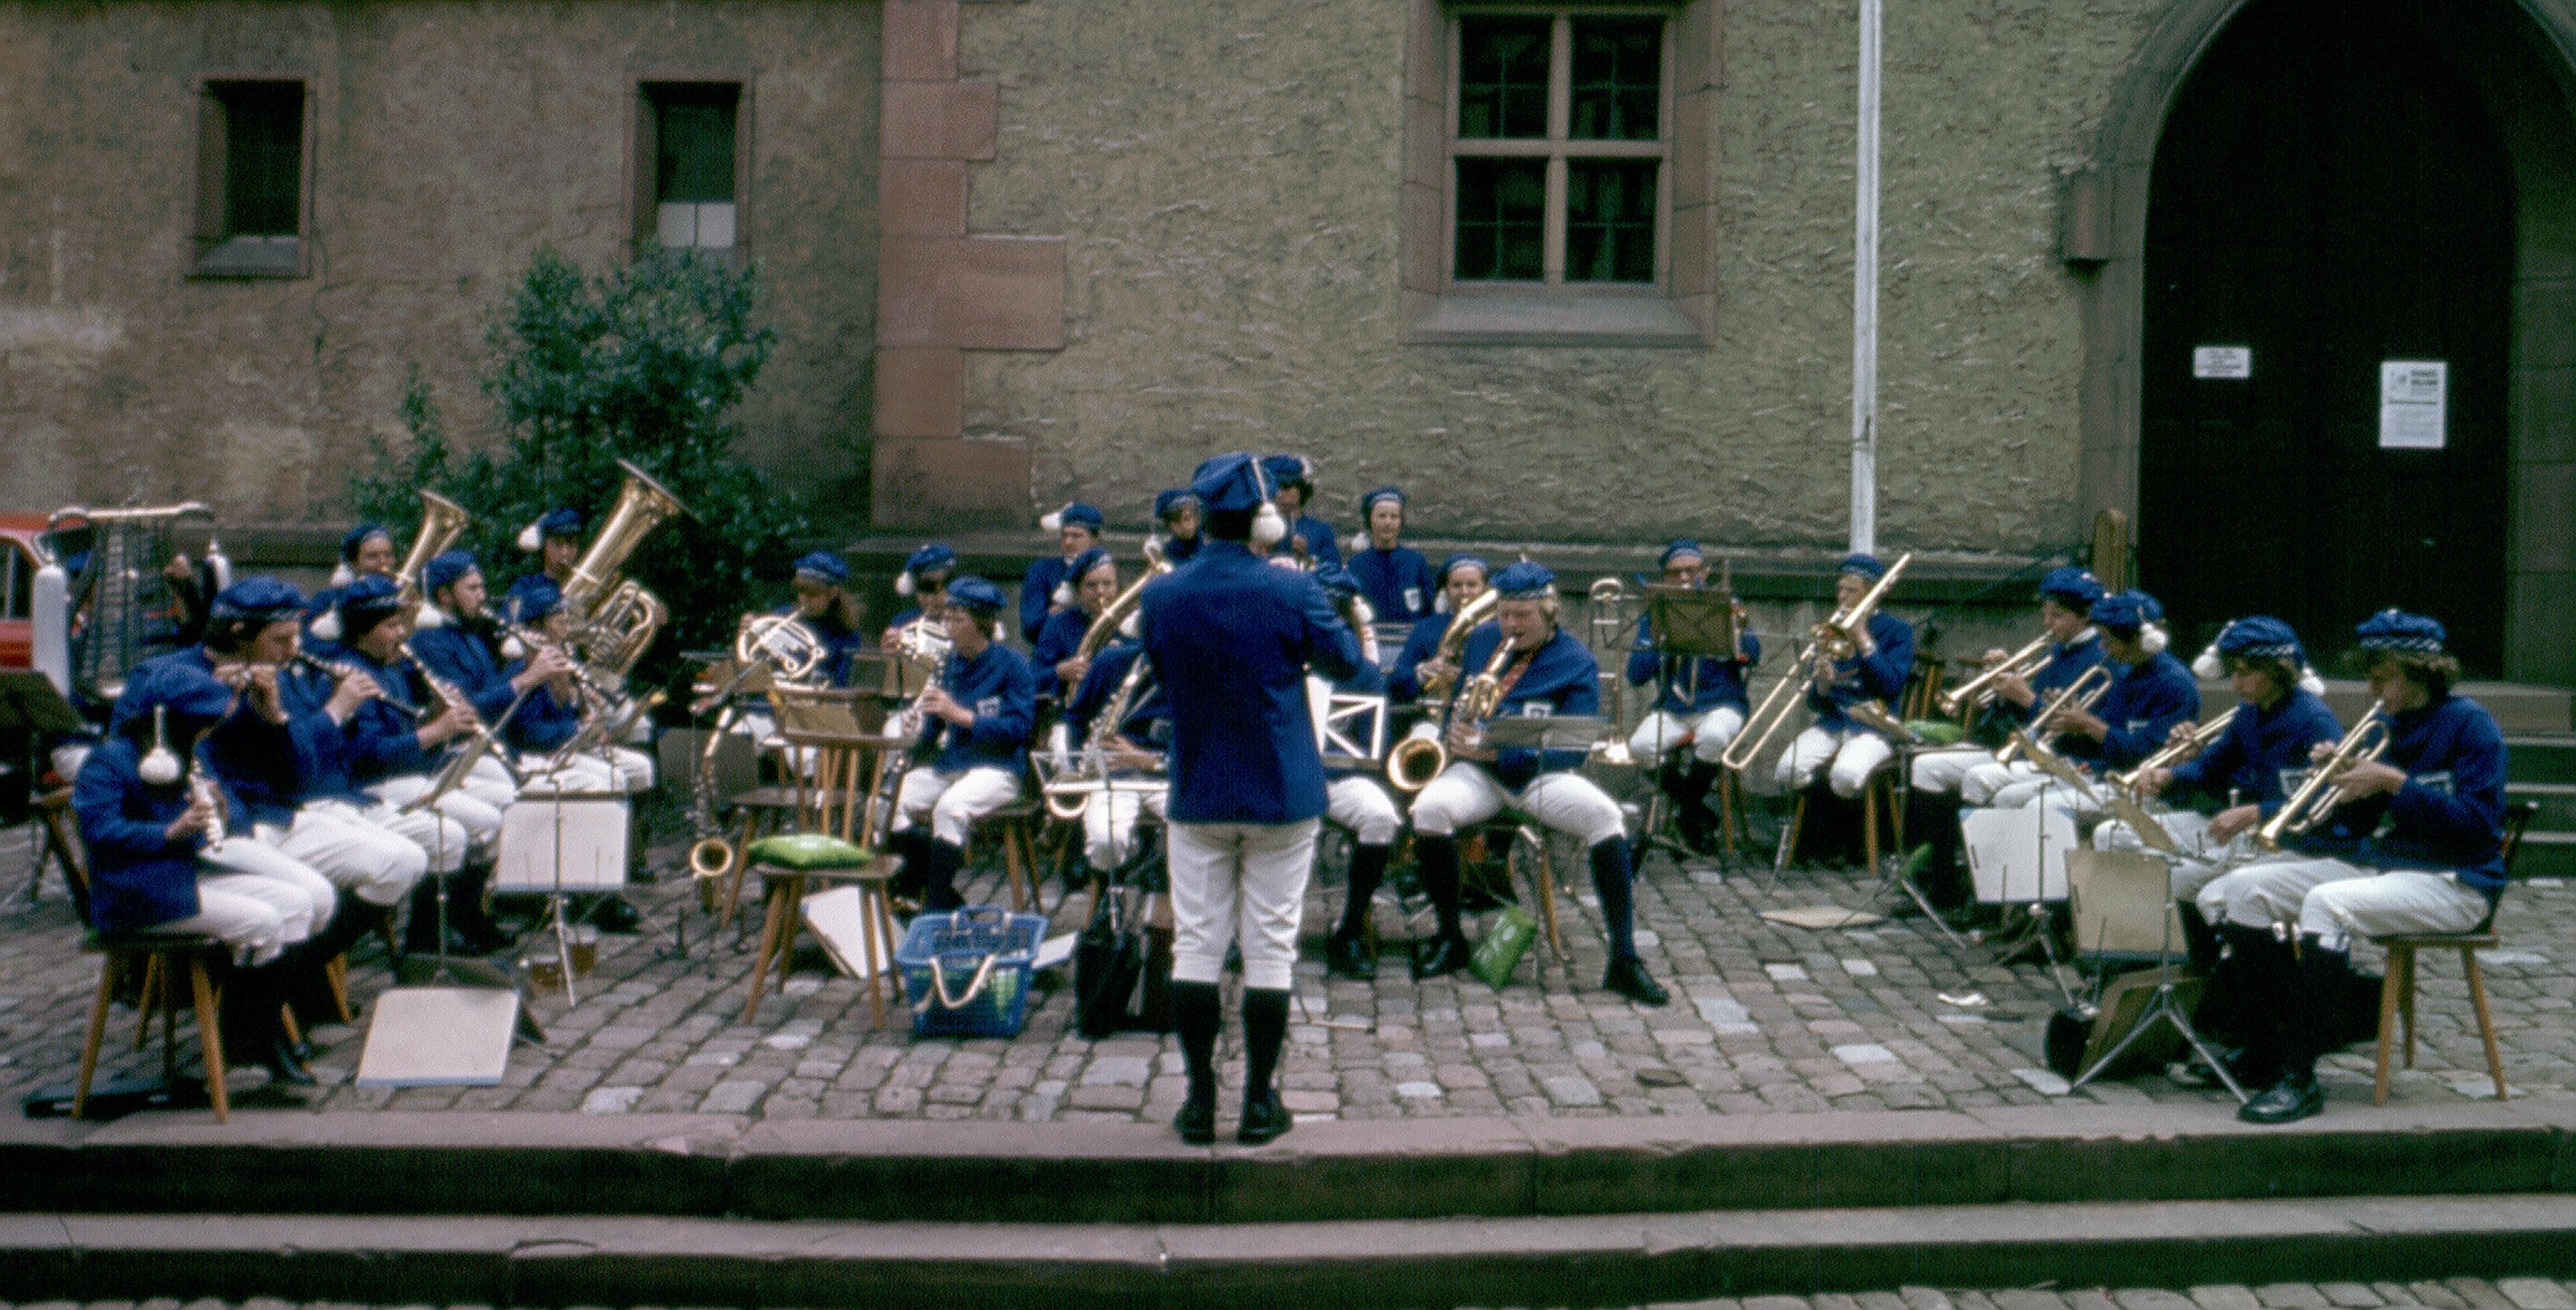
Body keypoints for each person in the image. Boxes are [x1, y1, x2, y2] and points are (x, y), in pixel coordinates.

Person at [2198, 610, 2507, 1125]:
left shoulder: (2471, 726)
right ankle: (2267, 1047)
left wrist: (2394, 783)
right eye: (2370, 676)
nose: (2373, 689)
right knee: (2242, 891)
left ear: (2421, 672)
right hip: (2388, 865)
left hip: (2457, 881)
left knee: (2326, 904)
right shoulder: (2386, 726)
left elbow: (2478, 826)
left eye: (2382, 676)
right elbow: (2355, 826)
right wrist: (2336, 780)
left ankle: (2300, 1078)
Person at [1140, 452, 1363, 1145]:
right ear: (1263, 517)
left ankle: (1200, 1101)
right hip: (1280, 790)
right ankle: (1260, 1101)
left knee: (1198, 948)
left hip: (1201, 785)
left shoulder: (1162, 593)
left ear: (1201, 518)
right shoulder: (1289, 590)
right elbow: (1348, 665)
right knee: (1271, 948)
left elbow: (1158, 668)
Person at [154, 578, 432, 1024]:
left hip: (278, 812)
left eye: (296, 637)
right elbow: (162, 760)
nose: (292, 649)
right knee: (317, 894)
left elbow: (299, 774)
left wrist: (274, 717)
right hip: (225, 827)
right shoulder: (169, 676)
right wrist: (335, 712)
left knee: (404, 862)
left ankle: (291, 981)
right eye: (281, 639)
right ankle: (263, 1010)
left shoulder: (279, 675)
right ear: (239, 633)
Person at [1405, 561, 1670, 1007]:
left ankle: (1624, 959)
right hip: (1480, 775)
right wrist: (1454, 730)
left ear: (1550, 613)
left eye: (1522, 616)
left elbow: (1574, 748)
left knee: (1607, 818)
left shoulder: (1576, 661)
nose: (1510, 625)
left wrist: (1500, 751)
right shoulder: (1483, 640)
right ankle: (1450, 937)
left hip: (1538, 776)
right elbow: (1459, 702)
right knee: (1428, 809)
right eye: (1505, 614)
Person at [74, 662, 336, 1084]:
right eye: (202, 724)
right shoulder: (109, 761)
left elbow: (203, 833)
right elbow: (98, 831)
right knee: (262, 920)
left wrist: (219, 810)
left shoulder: (184, 754)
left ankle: (256, 1033)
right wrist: (170, 831)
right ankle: (254, 1038)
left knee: (297, 903)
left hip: (178, 875)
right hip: (136, 894)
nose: (207, 733)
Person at [324, 574, 519, 953]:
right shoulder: (349, 674)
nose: (402, 634)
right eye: (392, 626)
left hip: (405, 774)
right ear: (363, 631)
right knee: (465, 827)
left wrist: (439, 718)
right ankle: (427, 940)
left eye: (402, 623)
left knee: (495, 809)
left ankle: (462, 920)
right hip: (369, 784)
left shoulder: (390, 666)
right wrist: (436, 731)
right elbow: (367, 756)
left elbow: (408, 732)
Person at [2105, 616, 2343, 916]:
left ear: (2277, 671)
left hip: (2288, 842)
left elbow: (2320, 801)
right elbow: (2211, 765)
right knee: (2115, 833)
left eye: (2246, 673)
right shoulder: (2250, 711)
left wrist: (2257, 812)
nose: (2236, 682)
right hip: (2238, 827)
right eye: (2233, 672)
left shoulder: (2313, 721)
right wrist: (2169, 773)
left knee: (2178, 881)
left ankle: (2197, 959)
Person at [1905, 566, 2107, 904]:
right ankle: (1940, 876)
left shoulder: (2100, 658)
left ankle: (1975, 885)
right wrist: (2001, 688)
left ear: (2084, 616)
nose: (2047, 623)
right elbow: (2018, 719)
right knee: (1925, 767)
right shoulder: (2057, 650)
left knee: (1978, 778)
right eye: (2045, 613)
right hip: (2022, 750)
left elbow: (2059, 726)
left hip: (2063, 759)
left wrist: (2024, 697)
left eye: (2056, 616)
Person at [886, 576, 1035, 912]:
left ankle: (934, 907)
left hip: (999, 768)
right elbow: (933, 729)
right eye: (947, 617)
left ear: (981, 623)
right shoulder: (948, 664)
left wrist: (963, 716)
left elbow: (1020, 728)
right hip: (954, 763)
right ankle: (938, 890)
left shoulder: (1014, 666)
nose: (948, 626)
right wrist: (916, 729)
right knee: (888, 801)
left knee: (949, 808)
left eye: (957, 619)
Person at [1975, 589, 2199, 813]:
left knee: (2037, 806)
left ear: (2136, 640)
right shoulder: (2126, 671)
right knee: (2007, 798)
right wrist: (2070, 714)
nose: (2102, 647)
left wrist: (2087, 724)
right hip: (2099, 771)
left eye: (2108, 640)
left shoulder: (2176, 684)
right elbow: (2108, 731)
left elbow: (2145, 753)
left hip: (2143, 788)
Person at [1623, 540, 1758, 853]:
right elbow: (1635, 674)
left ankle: (1687, 811)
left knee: (1712, 736)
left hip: (1722, 703)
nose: (1684, 578)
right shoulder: (1654, 614)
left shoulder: (1727, 605)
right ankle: (1695, 811)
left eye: (1691, 571)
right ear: (1664, 578)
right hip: (1674, 706)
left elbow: (1753, 654)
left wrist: (1733, 635)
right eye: (1675, 573)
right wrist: (1661, 643)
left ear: (1705, 572)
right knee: (1640, 746)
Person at [1312, 566, 1408, 980]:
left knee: (1381, 816)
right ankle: (1240, 933)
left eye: (1337, 615)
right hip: (1280, 778)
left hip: (1335, 778)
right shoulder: (1274, 659)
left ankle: (1349, 928)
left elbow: (1374, 745)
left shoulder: (1364, 673)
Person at [1774, 554, 1915, 801]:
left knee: (1846, 776)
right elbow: (1815, 704)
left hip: (1876, 726)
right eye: (1840, 589)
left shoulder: (1897, 631)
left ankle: (1841, 831)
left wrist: (1863, 638)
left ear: (1871, 593)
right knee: (1787, 771)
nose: (1842, 597)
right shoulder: (1832, 630)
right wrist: (1823, 684)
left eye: (1852, 590)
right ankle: (1824, 818)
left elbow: (1892, 687)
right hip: (1835, 722)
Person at [1062, 619, 1170, 881]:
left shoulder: (1199, 670)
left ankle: (1163, 898)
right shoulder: (1112, 662)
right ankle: (1110, 898)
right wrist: (1084, 761)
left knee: (1194, 832)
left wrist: (1149, 761)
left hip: (1171, 776)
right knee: (1104, 839)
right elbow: (1074, 718)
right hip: (1114, 774)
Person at [1390, 553, 1490, 704]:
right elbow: (1395, 681)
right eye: (1456, 586)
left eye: (1472, 585)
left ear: (1485, 589)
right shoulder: (1426, 628)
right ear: (1447, 590)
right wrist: (1424, 671)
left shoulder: (1500, 628)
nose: (1464, 592)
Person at [1029, 546, 1118, 700]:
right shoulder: (1058, 624)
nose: (1101, 592)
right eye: (1091, 585)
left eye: (1108, 584)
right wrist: (1060, 672)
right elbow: (1031, 679)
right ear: (1078, 590)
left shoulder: (1134, 625)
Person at [1345, 486, 1434, 623]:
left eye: (1394, 517)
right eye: (1382, 516)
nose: (1388, 522)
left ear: (1401, 522)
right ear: (1370, 520)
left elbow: (1429, 608)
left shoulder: (1416, 562)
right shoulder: (1356, 565)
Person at [1022, 503, 1104, 643]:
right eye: (1064, 535)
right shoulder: (1042, 571)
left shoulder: (1108, 571)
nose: (1068, 542)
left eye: (1077, 536)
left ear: (1095, 540)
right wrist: (1062, 609)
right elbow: (1031, 627)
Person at [306, 523, 398, 637]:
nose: (383, 562)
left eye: (388, 555)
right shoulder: (327, 599)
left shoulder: (401, 594)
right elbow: (312, 642)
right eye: (373, 556)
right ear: (354, 563)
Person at [504, 506, 584, 623]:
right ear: (545, 547)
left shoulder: (586, 588)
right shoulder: (525, 586)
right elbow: (506, 628)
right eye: (557, 544)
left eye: (572, 544)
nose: (565, 552)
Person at [1263, 455, 1341, 569]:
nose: (1279, 493)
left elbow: (1334, 571)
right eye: (1274, 487)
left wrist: (1307, 558)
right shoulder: (1259, 528)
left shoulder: (1320, 531)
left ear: (1300, 490)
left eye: (1286, 486)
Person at [881, 542, 958, 653]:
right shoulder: (902, 624)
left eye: (945, 584)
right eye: (925, 589)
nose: (931, 599)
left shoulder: (969, 622)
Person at [1152, 489, 1202, 566]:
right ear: (1168, 524)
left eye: (1189, 517)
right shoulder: (1171, 551)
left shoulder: (1211, 540)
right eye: (1177, 521)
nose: (1188, 526)